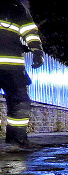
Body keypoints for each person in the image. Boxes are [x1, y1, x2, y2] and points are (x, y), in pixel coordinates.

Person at [0, 0, 44, 148]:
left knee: (21, 102)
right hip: (14, 67)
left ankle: (17, 138)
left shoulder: (18, 8)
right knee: (20, 101)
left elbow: (30, 32)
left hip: (14, 68)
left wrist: (37, 51)